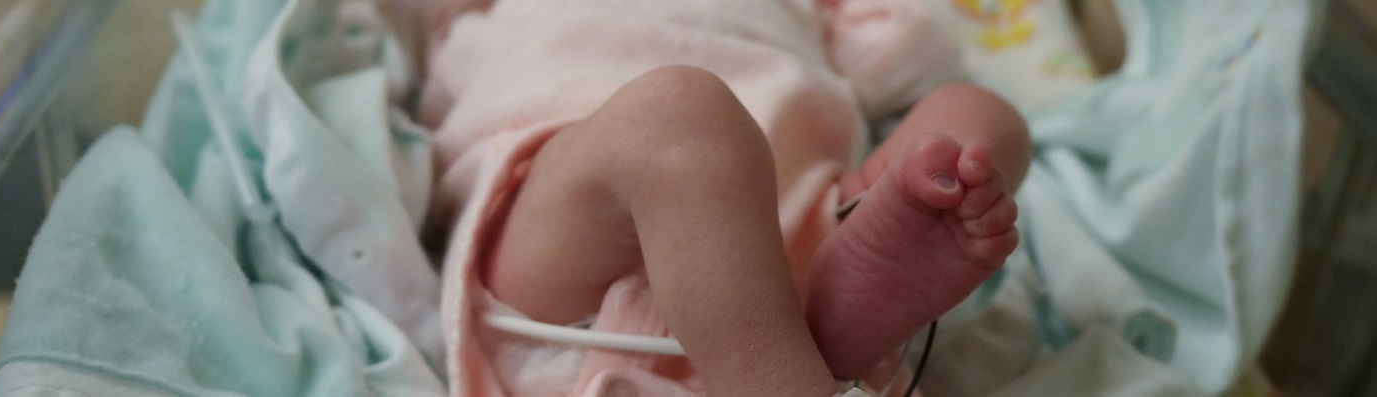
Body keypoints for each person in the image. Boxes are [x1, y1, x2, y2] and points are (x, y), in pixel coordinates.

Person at [383, 0, 1032, 395]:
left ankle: (832, 323)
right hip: (571, 235)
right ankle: (787, 378)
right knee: (677, 115)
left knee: (979, 123)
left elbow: (910, 53)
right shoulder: (479, 16)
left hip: (798, 228)